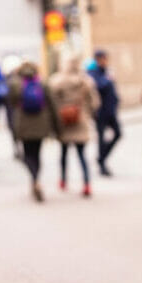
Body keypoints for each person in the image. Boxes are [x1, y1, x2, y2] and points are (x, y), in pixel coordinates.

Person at [49, 54, 100, 197]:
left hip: (64, 121)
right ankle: (86, 183)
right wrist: (86, 113)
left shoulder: (57, 81)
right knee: (82, 155)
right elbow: (95, 102)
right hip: (81, 120)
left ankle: (63, 180)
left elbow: (52, 101)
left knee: (64, 153)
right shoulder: (86, 81)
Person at [8, 62, 54, 202]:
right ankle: (36, 180)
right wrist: (55, 127)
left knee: (28, 154)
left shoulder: (16, 84)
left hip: (24, 124)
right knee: (37, 153)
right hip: (41, 124)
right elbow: (51, 104)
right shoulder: (42, 83)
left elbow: (12, 104)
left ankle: (34, 179)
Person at [88, 49, 121, 176]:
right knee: (101, 138)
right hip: (100, 112)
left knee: (118, 134)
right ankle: (102, 164)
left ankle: (102, 157)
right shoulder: (93, 72)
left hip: (111, 110)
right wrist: (108, 79)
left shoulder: (106, 71)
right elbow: (98, 87)